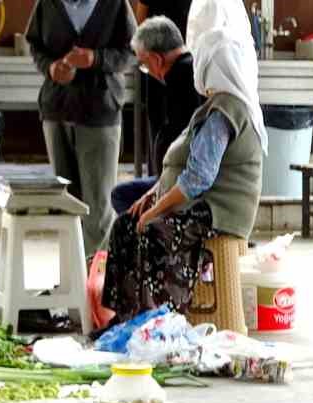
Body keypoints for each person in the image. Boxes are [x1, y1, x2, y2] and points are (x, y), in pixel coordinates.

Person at [101, 28, 264, 320]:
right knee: (125, 226)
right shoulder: (214, 106)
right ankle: (124, 317)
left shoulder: (225, 111)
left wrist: (156, 211)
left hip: (216, 212)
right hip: (200, 205)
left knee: (152, 230)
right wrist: (153, 195)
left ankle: (158, 317)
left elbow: (197, 179)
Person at [26, 0, 138, 253]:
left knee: (97, 207)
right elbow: (34, 44)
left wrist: (96, 59)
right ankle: (71, 279)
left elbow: (132, 51)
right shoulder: (48, 4)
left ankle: (96, 280)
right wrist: (50, 67)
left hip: (99, 111)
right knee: (65, 202)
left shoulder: (114, 5)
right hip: (57, 108)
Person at [111, 15, 203, 215]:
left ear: (156, 59)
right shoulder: (191, 68)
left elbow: (180, 140)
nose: (148, 71)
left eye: (144, 64)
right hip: (174, 178)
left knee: (121, 196)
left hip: (181, 183)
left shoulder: (180, 75)